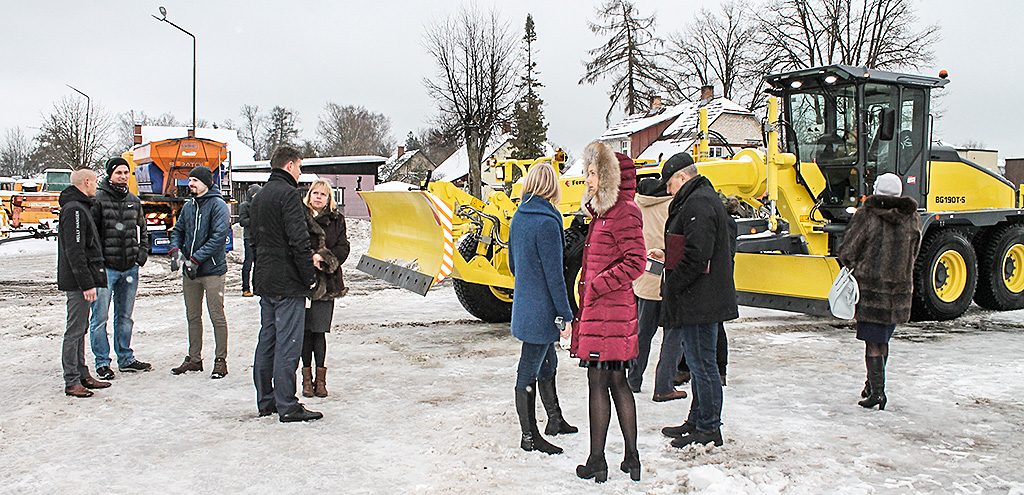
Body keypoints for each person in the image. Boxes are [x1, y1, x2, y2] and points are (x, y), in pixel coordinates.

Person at [571, 142, 646, 483]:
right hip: (604, 315)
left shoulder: (624, 211)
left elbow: (636, 262)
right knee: (615, 381)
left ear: (608, 177)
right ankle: (630, 458)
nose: (587, 179)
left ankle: (597, 460)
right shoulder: (604, 213)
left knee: (600, 382)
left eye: (592, 172)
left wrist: (596, 285)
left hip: (610, 314)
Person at [651, 160, 738, 449]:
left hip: (700, 299)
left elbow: (697, 255)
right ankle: (698, 420)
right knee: (701, 363)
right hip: (699, 297)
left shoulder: (698, 203)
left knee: (703, 365)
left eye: (670, 183)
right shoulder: (699, 200)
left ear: (683, 177)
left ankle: (709, 427)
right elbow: (692, 248)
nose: (668, 189)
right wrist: (666, 256)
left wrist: (673, 284)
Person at [508, 163, 576, 456]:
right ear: (553, 187)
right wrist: (566, 314)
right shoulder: (548, 221)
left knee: (548, 363)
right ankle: (529, 436)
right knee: (529, 369)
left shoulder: (519, 216)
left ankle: (555, 419)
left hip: (525, 302)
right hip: (542, 309)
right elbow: (555, 274)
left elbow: (513, 264)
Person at [837, 173, 921, 410]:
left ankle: (877, 393)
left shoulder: (868, 215)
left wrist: (849, 263)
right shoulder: (912, 217)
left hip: (872, 290)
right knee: (883, 339)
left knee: (872, 344)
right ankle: (872, 385)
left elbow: (849, 249)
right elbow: (915, 250)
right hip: (899, 290)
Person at [251, 146, 321, 422]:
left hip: (266, 279)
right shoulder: (289, 195)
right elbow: (298, 240)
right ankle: (288, 405)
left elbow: (254, 240)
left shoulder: (259, 196)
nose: (300, 172)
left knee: (267, 341)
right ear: (289, 165)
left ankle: (265, 401)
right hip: (288, 282)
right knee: (288, 344)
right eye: (300, 166)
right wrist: (309, 277)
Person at [626, 159, 686, 402]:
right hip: (667, 276)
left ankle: (633, 378)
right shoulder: (673, 205)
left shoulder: (637, 205)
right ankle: (664, 384)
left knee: (643, 332)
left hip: (643, 277)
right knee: (673, 334)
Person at [88, 157, 152, 380]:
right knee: (99, 318)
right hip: (106, 270)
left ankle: (126, 358)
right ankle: (103, 362)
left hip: (129, 269)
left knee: (125, 317)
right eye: (119, 173)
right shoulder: (98, 200)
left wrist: (140, 256)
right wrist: (98, 264)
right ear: (110, 175)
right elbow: (92, 236)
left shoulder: (134, 201)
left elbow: (143, 231)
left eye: (126, 172)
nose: (123, 176)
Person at [168, 166, 231, 379]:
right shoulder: (189, 206)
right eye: (190, 180)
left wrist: (195, 259)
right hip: (190, 272)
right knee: (193, 315)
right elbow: (178, 230)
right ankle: (194, 358)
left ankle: (220, 360)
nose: (190, 184)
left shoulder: (218, 205)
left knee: (216, 315)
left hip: (212, 270)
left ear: (206, 183)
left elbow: (218, 237)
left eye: (195, 180)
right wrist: (176, 251)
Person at [57, 168, 111, 397]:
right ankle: (72, 380)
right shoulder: (75, 210)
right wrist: (87, 283)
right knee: (75, 330)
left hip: (82, 279)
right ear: (86, 182)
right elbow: (76, 251)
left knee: (82, 328)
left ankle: (82, 374)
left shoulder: (80, 207)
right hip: (78, 282)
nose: (97, 186)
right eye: (95, 182)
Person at [300, 179, 350, 398]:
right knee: (303, 333)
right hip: (303, 281)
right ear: (309, 195)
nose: (318, 197)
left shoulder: (337, 220)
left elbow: (343, 247)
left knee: (319, 331)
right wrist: (307, 259)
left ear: (329, 198)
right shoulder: (298, 216)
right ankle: (306, 380)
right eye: (315, 193)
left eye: (323, 194)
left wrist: (324, 257)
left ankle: (320, 381)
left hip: (327, 283)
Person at [238, 184, 261, 297]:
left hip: (259, 237)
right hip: (249, 237)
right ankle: (245, 288)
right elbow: (242, 221)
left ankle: (257, 288)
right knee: (248, 263)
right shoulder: (245, 205)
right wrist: (255, 218)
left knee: (258, 264)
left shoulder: (261, 206)